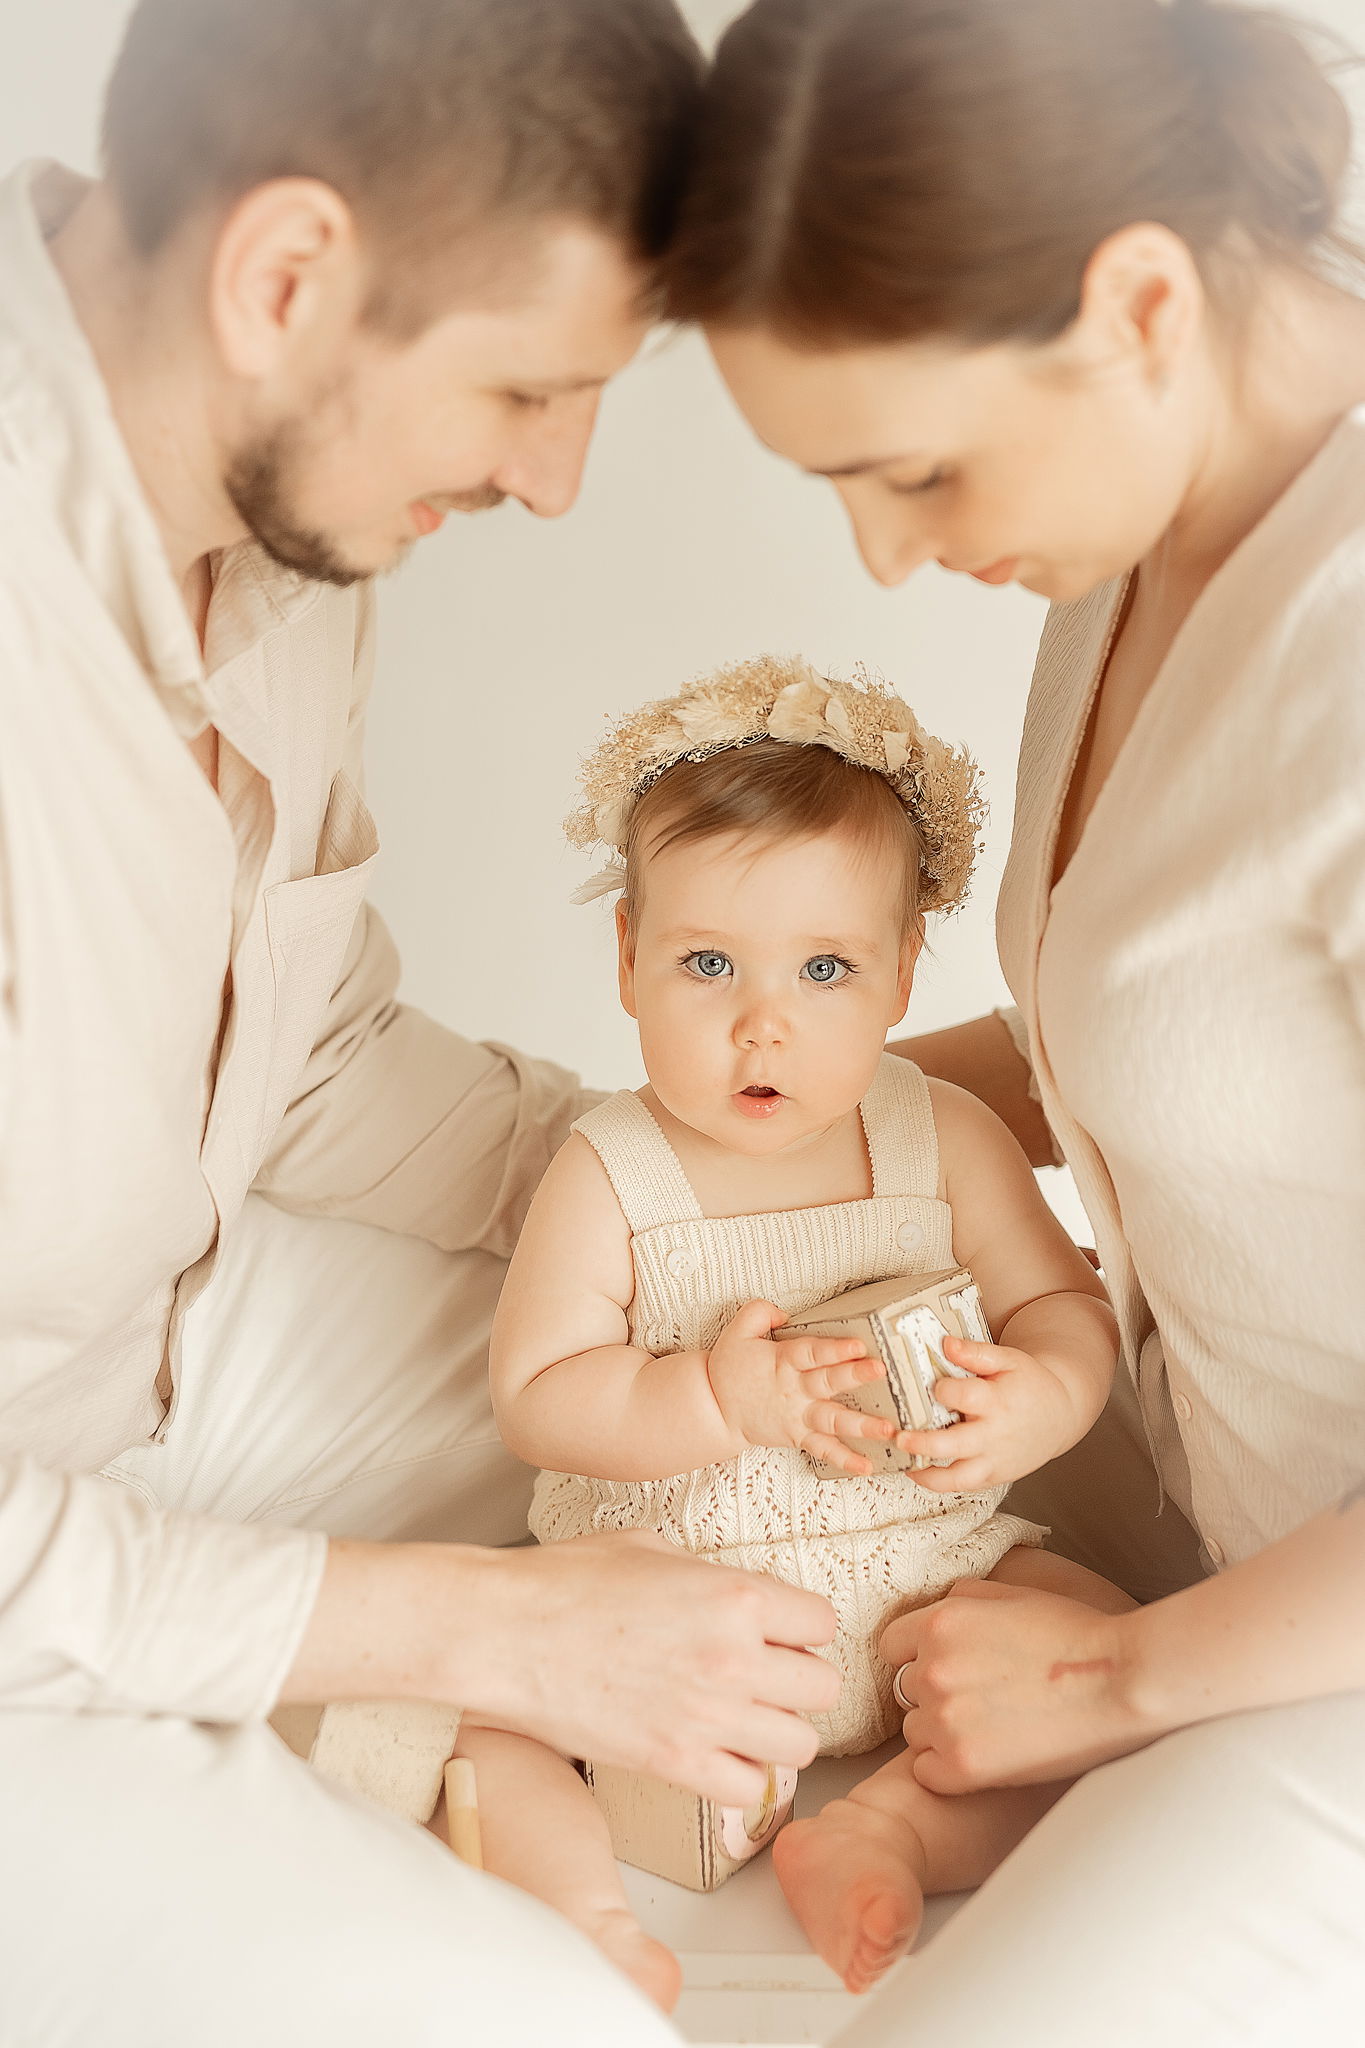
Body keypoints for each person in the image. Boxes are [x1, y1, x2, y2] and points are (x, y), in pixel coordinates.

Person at [0, 6, 839, 2044]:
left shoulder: (269, 546)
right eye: (531, 390)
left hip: (146, 1370)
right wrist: (497, 1629)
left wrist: (736, 1182)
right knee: (538, 2024)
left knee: (815, 1463)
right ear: (287, 275)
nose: (550, 484)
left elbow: (302, 1055)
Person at [664, 1, 1365, 2042]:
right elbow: (1174, 1043)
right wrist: (746, 1127)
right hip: (1230, 1517)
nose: (887, 553)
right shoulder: (1146, 529)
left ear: (1135, 301)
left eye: (912, 467)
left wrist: (1123, 1679)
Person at [460, 654, 1132, 2006]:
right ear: (627, 965)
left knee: (1112, 1666)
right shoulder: (610, 1170)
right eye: (707, 962)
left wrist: (1040, 1396)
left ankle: (886, 1831)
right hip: (678, 1603)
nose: (761, 1021)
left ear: (897, 977)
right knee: (477, 1715)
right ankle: (587, 1914)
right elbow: (536, 1392)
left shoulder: (942, 1131)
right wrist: (715, 1400)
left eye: (823, 967)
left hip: (926, 1579)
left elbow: (1061, 1301)